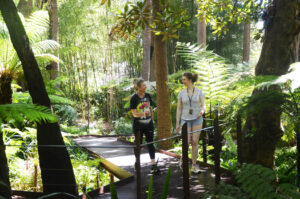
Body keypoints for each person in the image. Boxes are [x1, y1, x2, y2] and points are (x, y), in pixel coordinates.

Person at [176, 72, 206, 173]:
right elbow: (179, 108)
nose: (182, 81)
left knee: (194, 142)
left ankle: (194, 165)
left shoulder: (200, 92)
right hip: (185, 119)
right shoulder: (181, 93)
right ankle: (183, 160)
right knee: (186, 142)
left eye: (184, 79)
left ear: (189, 80)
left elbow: (203, 105)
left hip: (197, 119)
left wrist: (202, 112)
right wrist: (177, 123)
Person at [130, 78, 160, 174]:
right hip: (138, 125)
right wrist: (143, 114)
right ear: (138, 87)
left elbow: (151, 108)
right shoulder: (134, 98)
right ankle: (137, 162)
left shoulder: (148, 96)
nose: (145, 87)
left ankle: (153, 164)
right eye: (143, 85)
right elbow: (134, 113)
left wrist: (151, 118)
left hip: (149, 125)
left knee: (150, 143)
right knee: (138, 144)